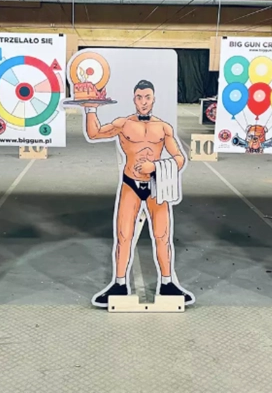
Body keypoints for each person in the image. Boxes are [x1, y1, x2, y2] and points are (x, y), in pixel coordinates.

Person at [82, 79, 194, 307]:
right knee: (124, 235)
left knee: (162, 236)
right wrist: (90, 109)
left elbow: (180, 158)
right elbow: (94, 134)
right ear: (134, 99)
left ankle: (167, 283)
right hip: (130, 184)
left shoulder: (163, 127)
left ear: (154, 99)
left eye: (147, 97)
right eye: (139, 97)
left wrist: (155, 166)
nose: (143, 102)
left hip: (156, 185)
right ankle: (119, 283)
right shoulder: (123, 124)